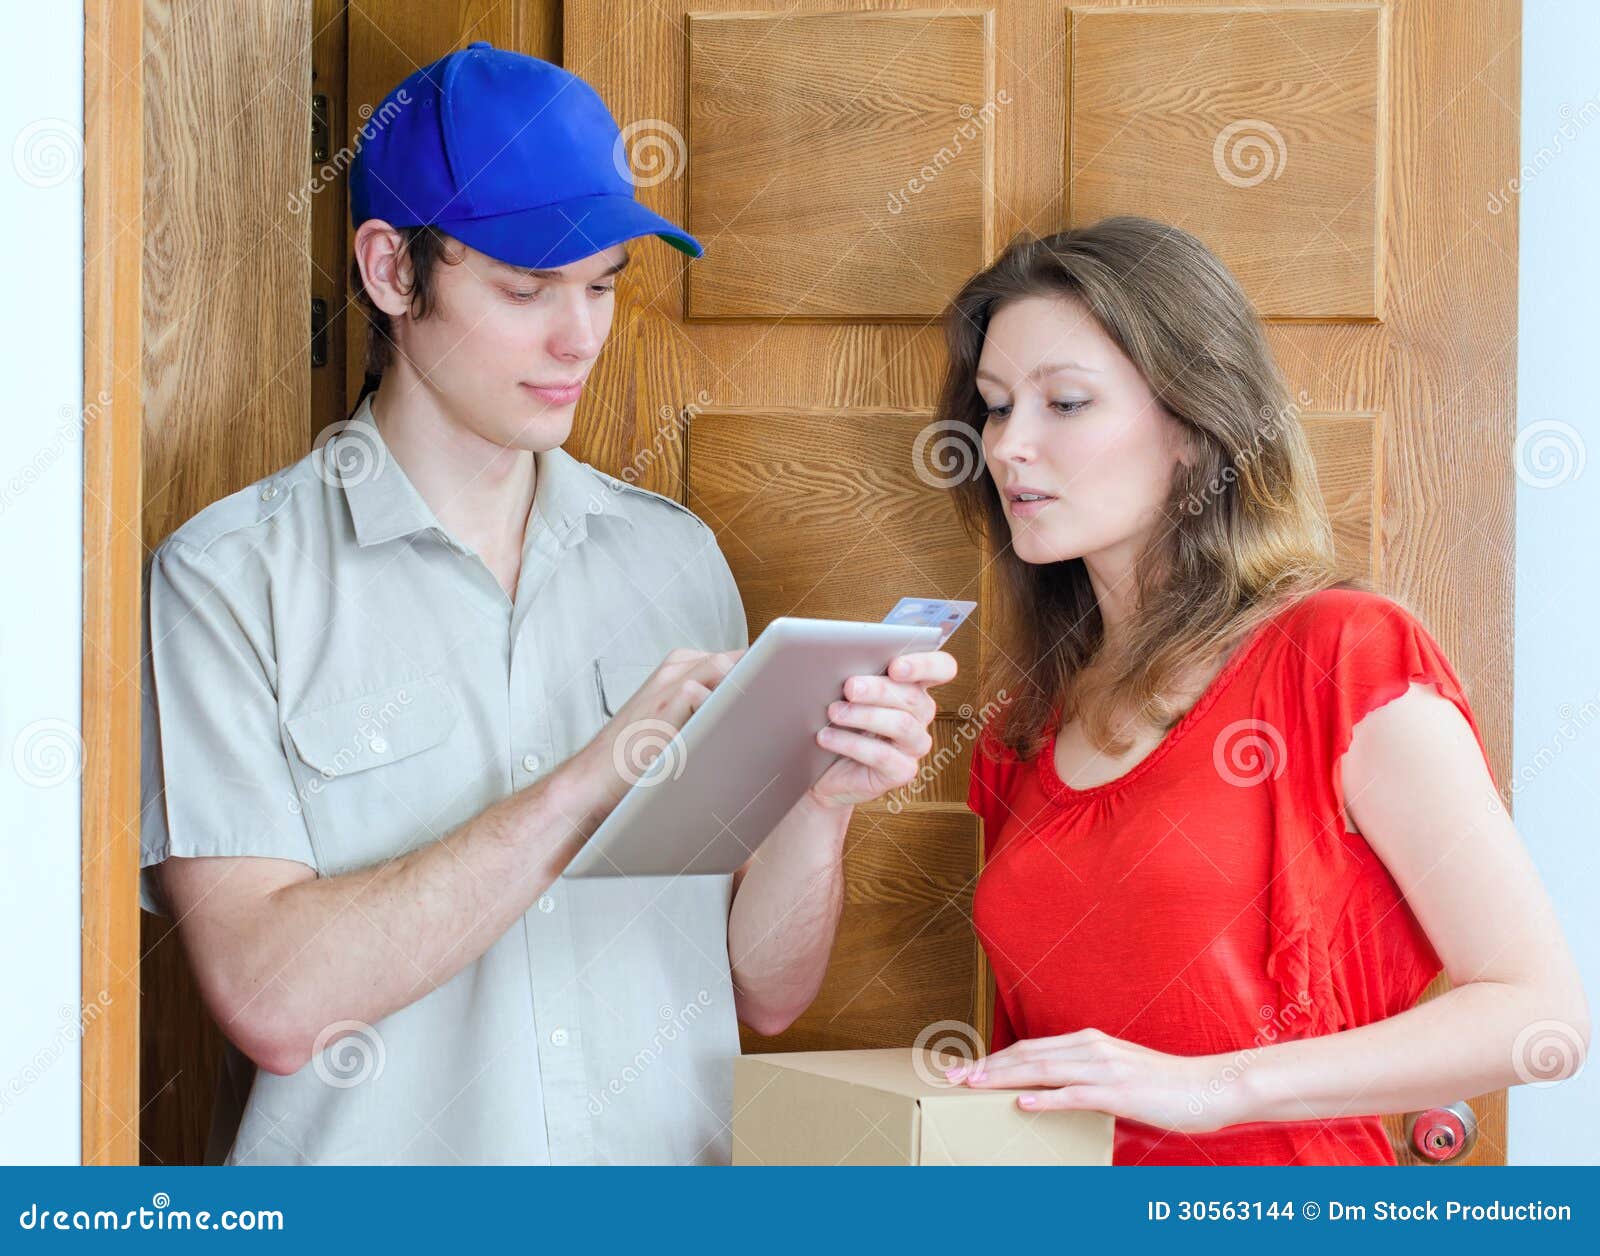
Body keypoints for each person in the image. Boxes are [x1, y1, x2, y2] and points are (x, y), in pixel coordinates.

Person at [138, 43, 955, 1165]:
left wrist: (820, 805)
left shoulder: (676, 561)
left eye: (603, 283)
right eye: (525, 288)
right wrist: (591, 779)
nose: (579, 336)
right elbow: (274, 999)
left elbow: (763, 986)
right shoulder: (230, 579)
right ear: (389, 271)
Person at [937, 217, 1588, 1164]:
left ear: (1196, 434)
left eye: (1066, 403)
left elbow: (1543, 1018)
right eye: (995, 408)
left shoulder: (1345, 657)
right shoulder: (1022, 732)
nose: (1007, 447)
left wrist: (1214, 1085)